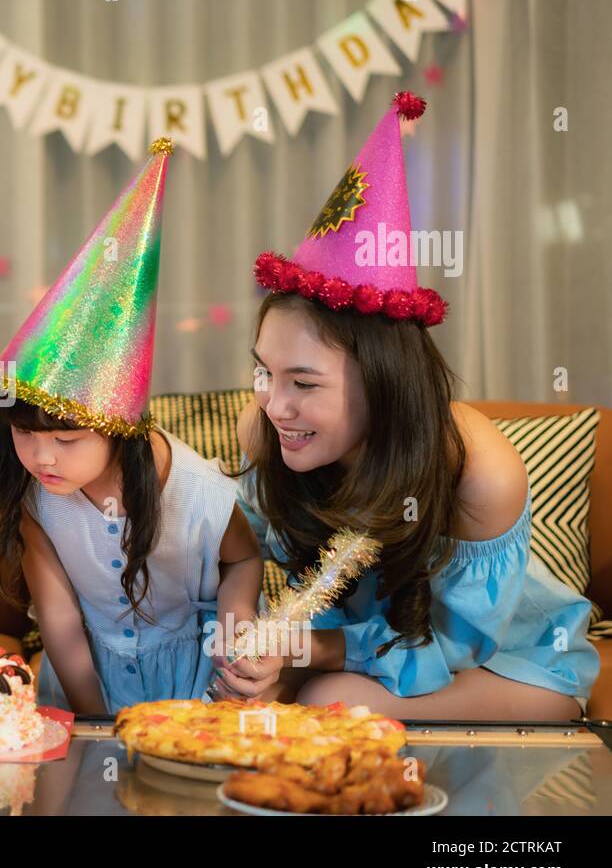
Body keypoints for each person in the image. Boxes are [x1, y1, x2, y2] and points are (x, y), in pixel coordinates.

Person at [232, 92, 598, 719]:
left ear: (383, 381)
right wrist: (248, 632)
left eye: (305, 382)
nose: (275, 404)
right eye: (265, 372)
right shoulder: (267, 425)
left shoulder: (479, 471)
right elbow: (235, 548)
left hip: (504, 660)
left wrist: (307, 653)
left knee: (327, 700)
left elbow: (451, 647)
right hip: (364, 653)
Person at [0, 138, 271, 716]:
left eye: (66, 440)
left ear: (117, 429)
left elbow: (242, 559)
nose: (42, 458)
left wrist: (235, 640)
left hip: (194, 683)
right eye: (24, 435)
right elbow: (62, 622)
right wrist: (97, 724)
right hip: (91, 683)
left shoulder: (190, 488)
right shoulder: (37, 498)